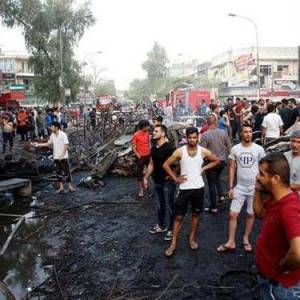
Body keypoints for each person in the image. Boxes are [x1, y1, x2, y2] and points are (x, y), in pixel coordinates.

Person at [163, 127, 220, 257]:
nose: (192, 140)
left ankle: (192, 238)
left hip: (198, 188)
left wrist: (204, 168)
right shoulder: (180, 151)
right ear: (186, 138)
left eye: (195, 137)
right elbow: (166, 164)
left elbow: (216, 160)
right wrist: (175, 178)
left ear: (198, 137)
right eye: (190, 137)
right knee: (178, 216)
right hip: (184, 189)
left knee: (196, 214)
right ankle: (173, 243)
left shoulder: (203, 151)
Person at [254, 152, 300, 299]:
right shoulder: (276, 198)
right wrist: (258, 189)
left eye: (261, 174)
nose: (257, 177)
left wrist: (281, 267)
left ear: (275, 179)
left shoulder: (289, 209)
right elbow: (259, 213)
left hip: (280, 286)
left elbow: (298, 253)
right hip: (268, 277)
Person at [217, 125, 265, 253]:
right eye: (245, 132)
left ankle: (245, 238)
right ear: (241, 134)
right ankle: (231, 241)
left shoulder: (259, 149)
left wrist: (262, 187)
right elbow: (232, 168)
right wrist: (230, 187)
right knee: (233, 214)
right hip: (240, 187)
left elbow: (263, 168)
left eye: (250, 132)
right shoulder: (235, 149)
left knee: (250, 214)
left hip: (254, 188)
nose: (248, 134)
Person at [143, 125, 176, 241]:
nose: (153, 133)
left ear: (163, 133)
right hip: (156, 181)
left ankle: (172, 229)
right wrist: (146, 177)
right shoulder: (153, 149)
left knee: (171, 206)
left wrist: (173, 175)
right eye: (153, 131)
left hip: (168, 182)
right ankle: (162, 225)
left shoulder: (169, 148)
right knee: (159, 206)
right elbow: (151, 164)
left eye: (156, 131)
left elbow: (179, 162)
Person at [32, 121, 75, 193]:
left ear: (56, 127)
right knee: (58, 172)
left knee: (67, 172)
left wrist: (62, 154)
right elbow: (48, 143)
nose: (51, 128)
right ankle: (61, 187)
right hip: (56, 156)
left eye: (52, 127)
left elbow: (66, 145)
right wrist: (38, 144)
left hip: (63, 157)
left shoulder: (63, 134)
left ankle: (70, 186)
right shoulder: (52, 135)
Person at [201, 114, 231, 213]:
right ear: (216, 122)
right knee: (217, 178)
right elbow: (229, 147)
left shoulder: (205, 135)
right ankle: (221, 196)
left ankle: (213, 207)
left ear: (207, 123)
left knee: (211, 184)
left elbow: (202, 152)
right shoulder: (224, 132)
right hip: (222, 162)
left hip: (211, 163)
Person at [132, 120, 151, 197]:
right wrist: (138, 156)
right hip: (141, 156)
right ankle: (141, 189)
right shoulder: (136, 135)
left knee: (150, 171)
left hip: (148, 155)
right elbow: (133, 147)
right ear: (143, 127)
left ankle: (147, 184)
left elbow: (148, 143)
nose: (148, 127)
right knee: (139, 174)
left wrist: (151, 151)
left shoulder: (147, 133)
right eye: (147, 126)